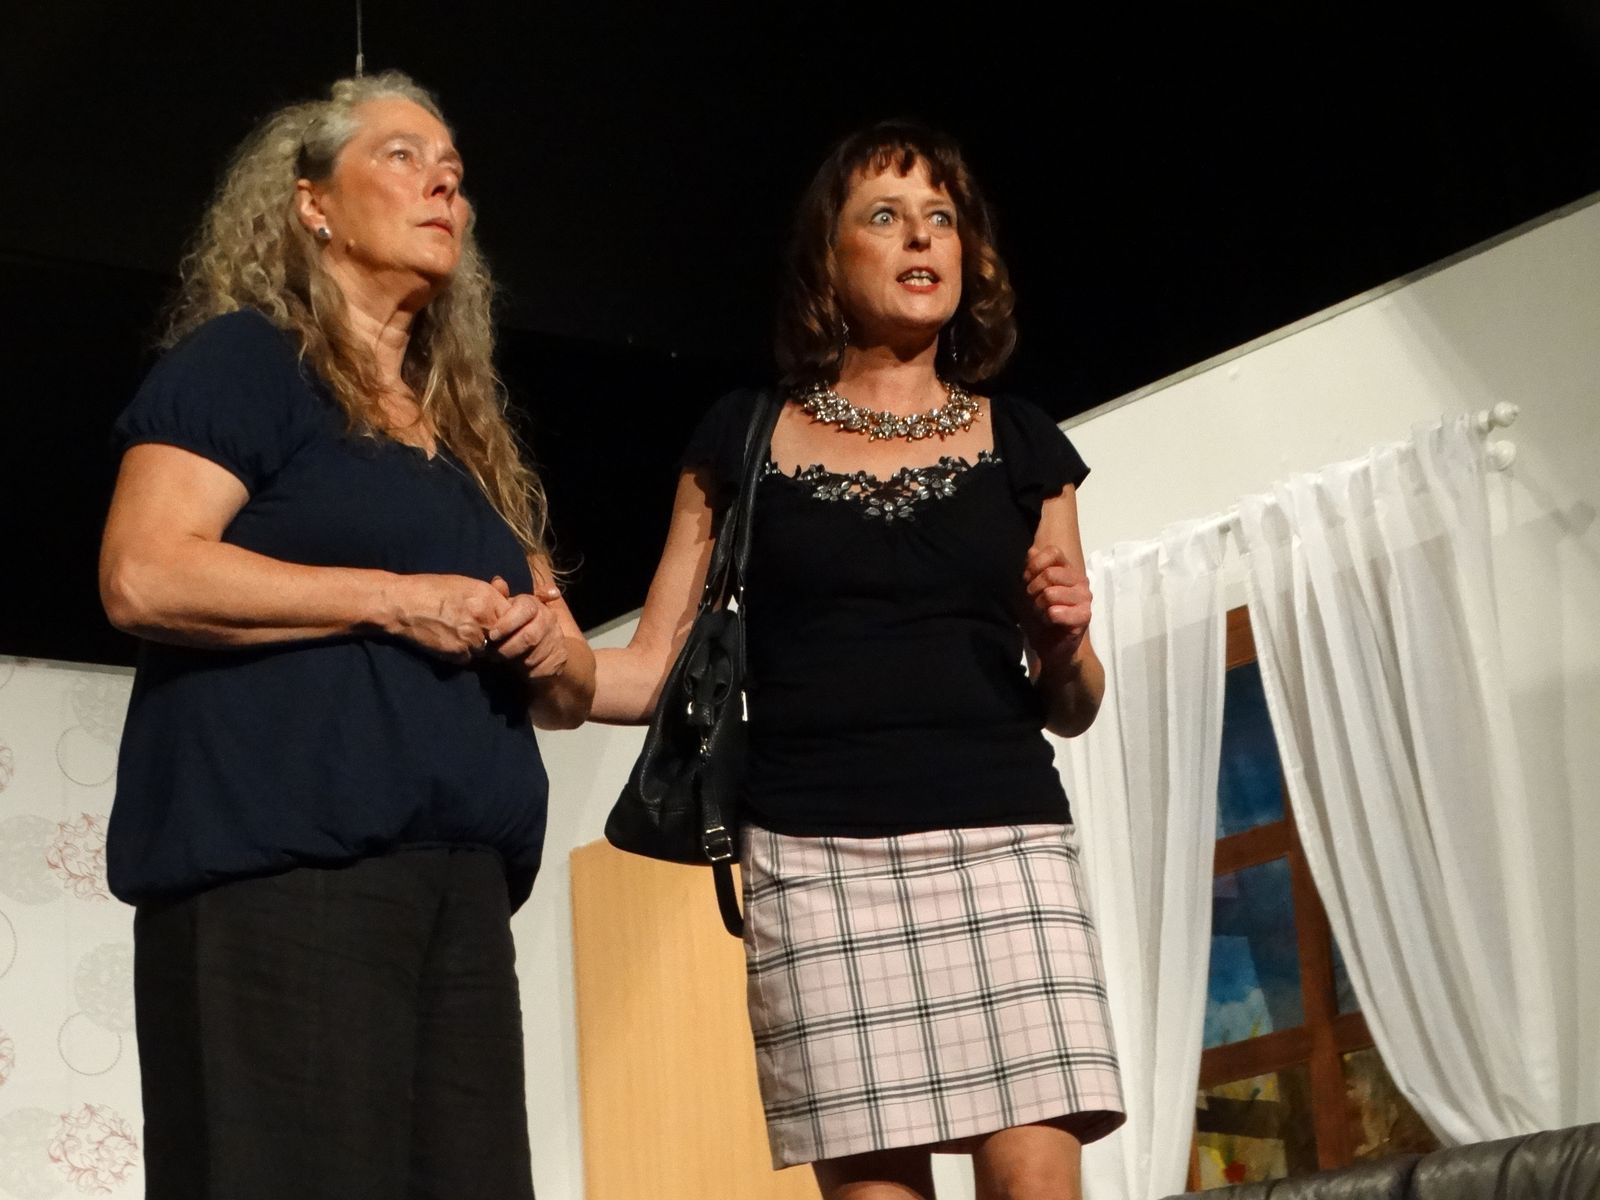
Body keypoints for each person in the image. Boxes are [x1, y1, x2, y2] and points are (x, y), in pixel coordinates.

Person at [592, 121, 1124, 1199]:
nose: (920, 237)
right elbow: (647, 670)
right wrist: (513, 650)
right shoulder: (741, 437)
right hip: (816, 861)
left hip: (1006, 847)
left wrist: (1065, 641)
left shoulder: (1025, 443)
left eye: (941, 219)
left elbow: (1071, 703)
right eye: (885, 216)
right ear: (826, 264)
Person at [98, 71, 592, 1199]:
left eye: (454, 171)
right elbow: (144, 571)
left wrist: (553, 646)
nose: (443, 184)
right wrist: (392, 597)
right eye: (403, 157)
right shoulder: (247, 362)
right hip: (286, 880)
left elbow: (572, 689)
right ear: (312, 203)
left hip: (455, 892)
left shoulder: (461, 441)